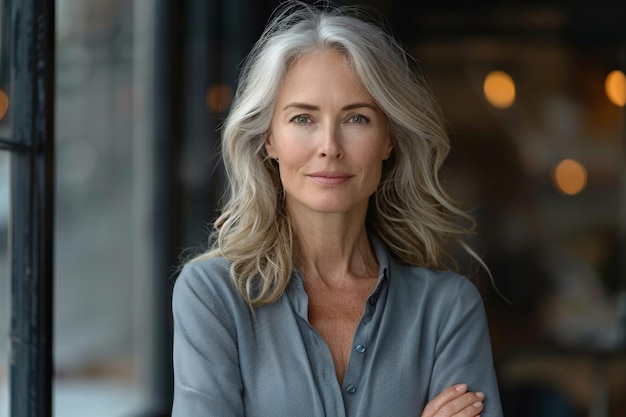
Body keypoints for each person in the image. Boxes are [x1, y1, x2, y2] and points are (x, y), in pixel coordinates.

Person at [171, 1, 503, 416]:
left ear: (388, 139)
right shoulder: (212, 295)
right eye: (302, 119)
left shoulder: (448, 308)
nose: (329, 146)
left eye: (357, 119)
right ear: (269, 139)